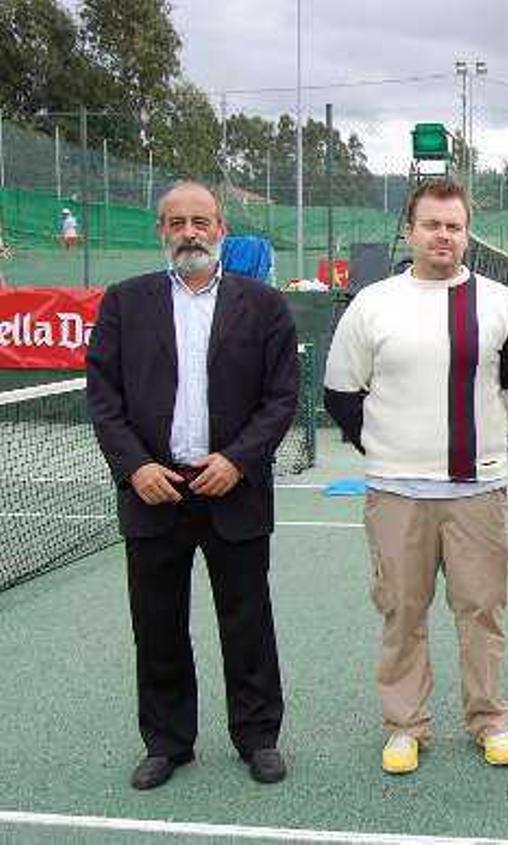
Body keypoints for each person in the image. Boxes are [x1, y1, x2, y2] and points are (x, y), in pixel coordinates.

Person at [86, 181, 298, 790]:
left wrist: (237, 460)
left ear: (221, 229)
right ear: (161, 232)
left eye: (200, 221)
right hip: (154, 490)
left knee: (247, 620)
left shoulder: (263, 305)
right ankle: (168, 743)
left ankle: (258, 737)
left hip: (235, 488)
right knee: (157, 624)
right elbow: (103, 398)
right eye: (176, 222)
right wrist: (136, 467)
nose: (189, 232)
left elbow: (281, 398)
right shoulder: (125, 303)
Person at [323, 179, 508, 775]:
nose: (443, 235)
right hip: (395, 493)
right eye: (432, 225)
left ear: (466, 234)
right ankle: (405, 727)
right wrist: (389, 447)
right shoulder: (373, 304)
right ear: (410, 230)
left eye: (454, 226)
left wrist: (485, 434)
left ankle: (489, 720)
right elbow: (341, 393)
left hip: (478, 490)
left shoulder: (499, 303)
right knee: (402, 615)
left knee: (482, 612)